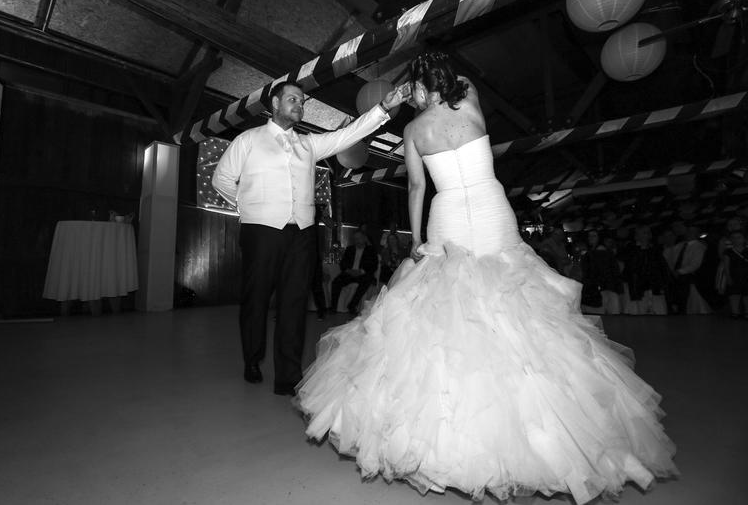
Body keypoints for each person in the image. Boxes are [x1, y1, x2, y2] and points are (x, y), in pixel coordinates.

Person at [295, 51, 677, 503]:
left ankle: (449, 435)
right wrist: (429, 75)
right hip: (491, 208)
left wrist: (416, 240)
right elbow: (457, 80)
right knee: (511, 299)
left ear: (420, 88)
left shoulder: (414, 130)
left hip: (448, 215)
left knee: (442, 303)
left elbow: (417, 187)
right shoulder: (470, 100)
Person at [212, 80, 408, 396]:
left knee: (294, 303)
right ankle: (252, 358)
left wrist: (383, 108)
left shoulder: (309, 144)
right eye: (293, 99)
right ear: (275, 104)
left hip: (302, 232)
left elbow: (348, 134)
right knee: (256, 299)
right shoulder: (248, 140)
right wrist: (248, 206)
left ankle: (288, 377)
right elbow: (221, 179)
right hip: (260, 231)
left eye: (302, 101)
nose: (299, 105)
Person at [328, 229, 378, 315]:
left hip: (362, 274)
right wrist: (348, 270)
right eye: (355, 239)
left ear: (364, 238)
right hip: (349, 273)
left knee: (366, 281)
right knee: (336, 282)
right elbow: (343, 263)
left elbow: (373, 265)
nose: (357, 241)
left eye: (359, 238)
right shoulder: (350, 249)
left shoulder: (370, 250)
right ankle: (333, 307)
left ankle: (352, 305)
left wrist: (361, 271)